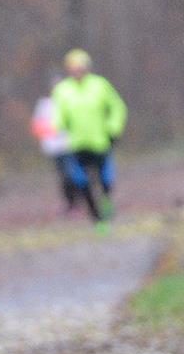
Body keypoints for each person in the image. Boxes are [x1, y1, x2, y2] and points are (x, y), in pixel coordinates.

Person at [51, 48, 127, 230]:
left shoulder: (100, 85)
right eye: (74, 67)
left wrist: (113, 129)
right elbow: (57, 115)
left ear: (87, 67)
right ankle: (97, 218)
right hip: (76, 144)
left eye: (81, 67)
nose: (77, 71)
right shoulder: (62, 90)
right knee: (81, 182)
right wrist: (59, 127)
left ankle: (107, 201)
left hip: (100, 141)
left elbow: (117, 107)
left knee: (105, 180)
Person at [30, 80, 79, 214]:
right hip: (54, 148)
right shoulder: (44, 105)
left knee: (73, 174)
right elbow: (36, 126)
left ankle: (78, 202)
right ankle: (71, 204)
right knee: (64, 176)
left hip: (71, 145)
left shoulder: (71, 101)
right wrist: (51, 132)